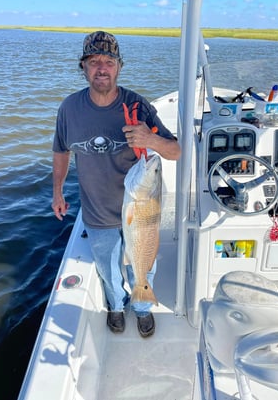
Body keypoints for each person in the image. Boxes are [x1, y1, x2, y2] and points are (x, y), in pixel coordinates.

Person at [52, 31, 181, 338]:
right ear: (83, 67)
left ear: (119, 67)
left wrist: (150, 139)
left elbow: (176, 151)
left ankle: (143, 308)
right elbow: (61, 151)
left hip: (143, 209)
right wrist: (56, 191)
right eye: (94, 61)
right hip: (98, 211)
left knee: (144, 265)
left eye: (108, 61)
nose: (101, 68)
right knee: (109, 269)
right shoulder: (69, 108)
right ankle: (116, 305)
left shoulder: (137, 105)